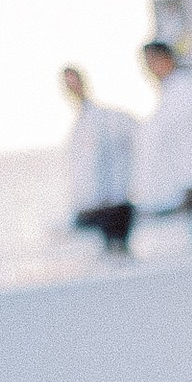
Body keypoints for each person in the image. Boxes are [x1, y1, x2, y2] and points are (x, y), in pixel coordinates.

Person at [131, 38, 192, 221]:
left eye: (152, 61)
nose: (149, 69)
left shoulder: (189, 92)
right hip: (171, 204)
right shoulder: (169, 94)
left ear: (167, 58)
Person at [61, 63, 137, 251]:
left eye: (74, 82)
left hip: (111, 208)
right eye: (68, 85)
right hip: (96, 209)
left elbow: (104, 163)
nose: (73, 88)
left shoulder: (103, 119)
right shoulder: (80, 124)